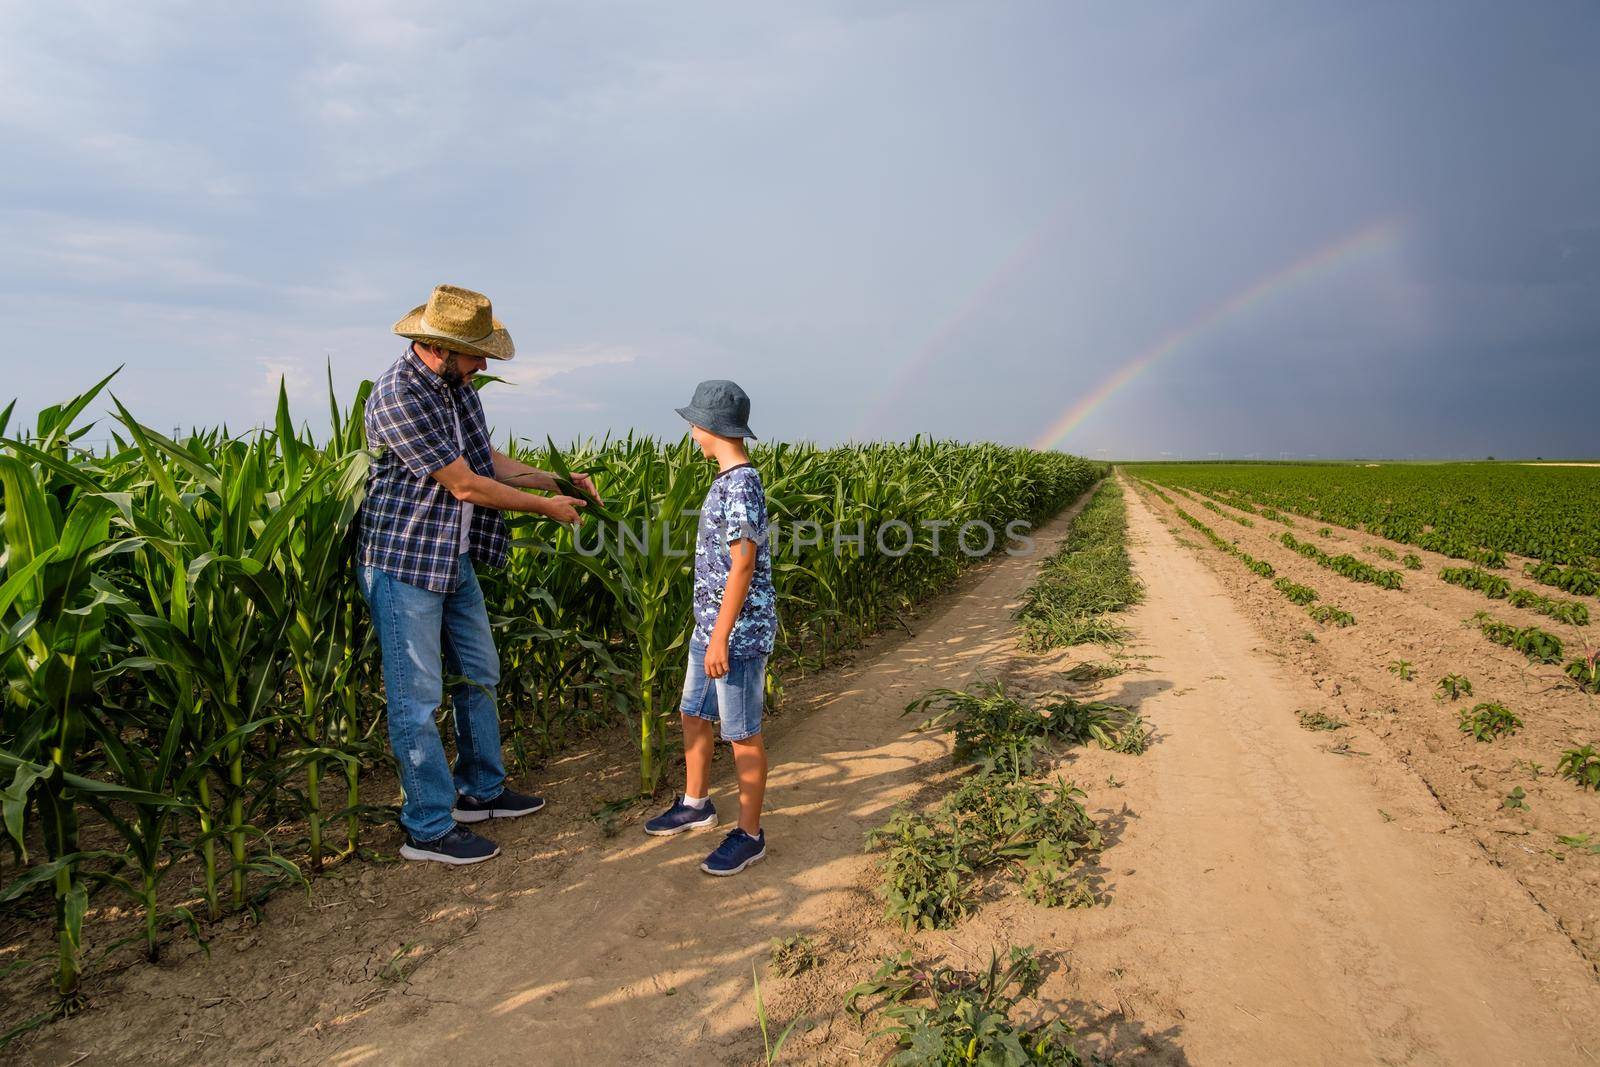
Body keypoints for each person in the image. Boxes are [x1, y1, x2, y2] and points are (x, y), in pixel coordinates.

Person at [357, 284, 598, 865]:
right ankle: (428, 827)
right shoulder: (398, 395)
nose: (484, 364)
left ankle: (481, 792)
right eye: (476, 353)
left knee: (479, 673)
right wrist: (546, 510)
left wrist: (556, 483)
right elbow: (464, 484)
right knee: (417, 697)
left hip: (450, 555)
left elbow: (485, 461)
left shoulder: (456, 388)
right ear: (438, 347)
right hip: (403, 561)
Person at [644, 380, 777, 876]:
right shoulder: (726, 480)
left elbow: (743, 561)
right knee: (692, 712)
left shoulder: (741, 483)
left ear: (709, 428)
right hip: (712, 628)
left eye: (693, 424)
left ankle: (749, 834)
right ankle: (696, 802)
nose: (691, 432)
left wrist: (721, 635)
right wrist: (708, 629)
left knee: (742, 733)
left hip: (735, 635)